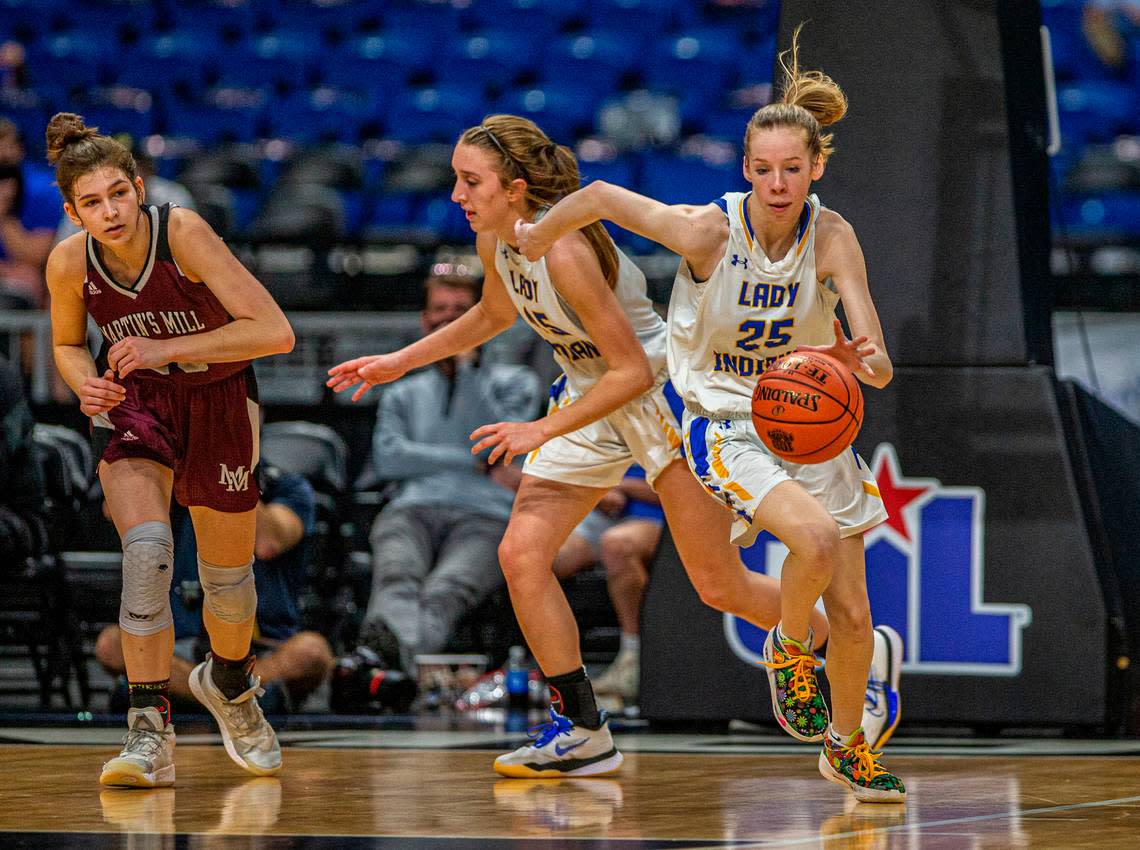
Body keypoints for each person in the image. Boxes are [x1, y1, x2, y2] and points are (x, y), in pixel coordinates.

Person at [329, 112, 896, 781]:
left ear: (515, 187)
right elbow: (492, 314)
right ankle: (582, 727)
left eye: (470, 180)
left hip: (656, 390)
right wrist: (401, 361)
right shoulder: (497, 241)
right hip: (587, 392)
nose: (457, 193)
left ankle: (850, 653)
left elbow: (628, 370)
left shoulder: (565, 250)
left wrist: (540, 431)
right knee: (520, 554)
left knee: (717, 586)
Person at [514, 27, 905, 802]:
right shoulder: (707, 230)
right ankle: (790, 649)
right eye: (763, 169)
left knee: (856, 614)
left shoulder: (833, 237)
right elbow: (595, 198)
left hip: (812, 420)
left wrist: (865, 361)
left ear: (816, 168)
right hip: (726, 418)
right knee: (815, 540)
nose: (778, 182)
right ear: (746, 170)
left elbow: (879, 355)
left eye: (793, 168)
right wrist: (536, 232)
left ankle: (844, 746)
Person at [44, 112, 295, 788]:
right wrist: (84, 384)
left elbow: (274, 332)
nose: (110, 211)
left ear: (138, 185)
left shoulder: (182, 232)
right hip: (137, 406)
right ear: (73, 212)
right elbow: (68, 344)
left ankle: (233, 687)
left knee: (227, 583)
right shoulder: (69, 262)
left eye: (117, 194)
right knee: (148, 553)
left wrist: (167, 348)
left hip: (219, 397)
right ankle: (147, 730)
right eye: (91, 203)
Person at [356, 273, 541, 674]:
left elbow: (496, 444)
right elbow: (389, 459)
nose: (448, 321)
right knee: (397, 575)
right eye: (440, 311)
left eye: (461, 313)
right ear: (425, 321)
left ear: (484, 318)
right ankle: (397, 668)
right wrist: (468, 460)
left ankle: (382, 665)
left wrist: (467, 366)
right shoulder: (401, 391)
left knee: (446, 590)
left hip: (487, 514)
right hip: (413, 507)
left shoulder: (516, 383)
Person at [93, 463, 335, 715]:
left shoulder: (286, 485)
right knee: (112, 644)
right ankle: (236, 701)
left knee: (311, 653)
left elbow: (267, 543)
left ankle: (182, 694)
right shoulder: (174, 476)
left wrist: (227, 473)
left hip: (261, 649)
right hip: (179, 648)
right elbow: (116, 510)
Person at [552, 465, 664, 707]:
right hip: (599, 512)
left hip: (657, 514)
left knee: (617, 545)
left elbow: (689, 487)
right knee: (542, 556)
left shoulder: (680, 427)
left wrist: (621, 486)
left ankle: (633, 658)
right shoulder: (600, 428)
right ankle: (559, 670)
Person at [0, 118, 58, 308]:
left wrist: (4, 213)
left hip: (32, 284)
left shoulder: (43, 189)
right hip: (8, 272)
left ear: (19, 150)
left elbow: (37, 257)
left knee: (29, 280)